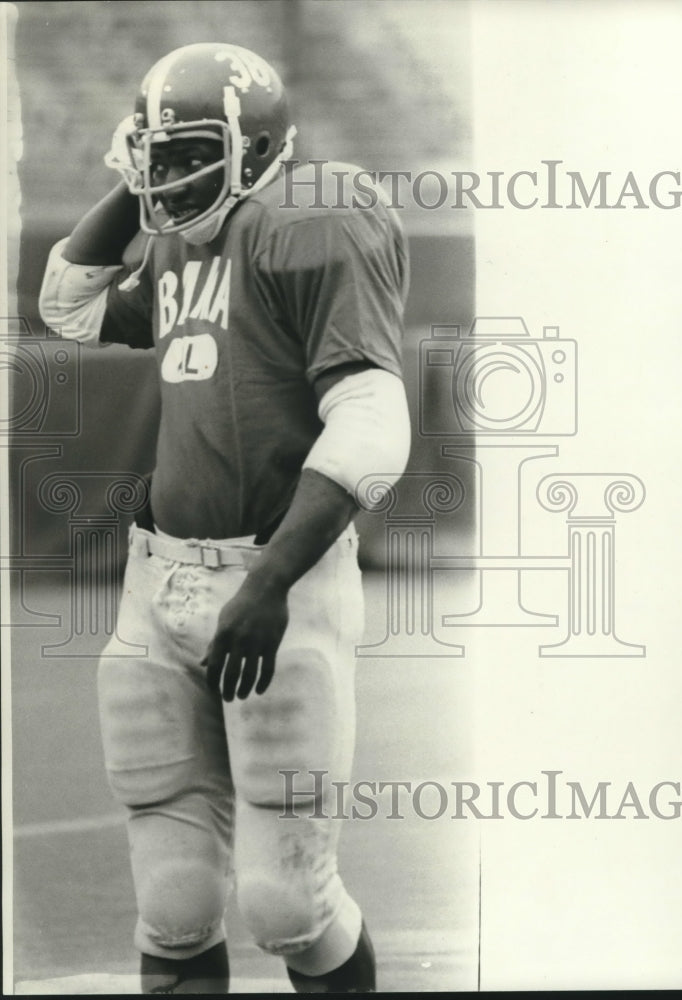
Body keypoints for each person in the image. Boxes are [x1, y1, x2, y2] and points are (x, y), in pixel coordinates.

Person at [39, 42, 410, 994]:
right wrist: (135, 180)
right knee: (172, 908)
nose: (167, 177)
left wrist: (271, 582)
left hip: (274, 581)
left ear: (257, 144)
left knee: (290, 905)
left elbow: (371, 422)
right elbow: (67, 307)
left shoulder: (310, 215)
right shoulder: (175, 234)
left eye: (184, 152)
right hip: (154, 577)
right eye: (153, 153)